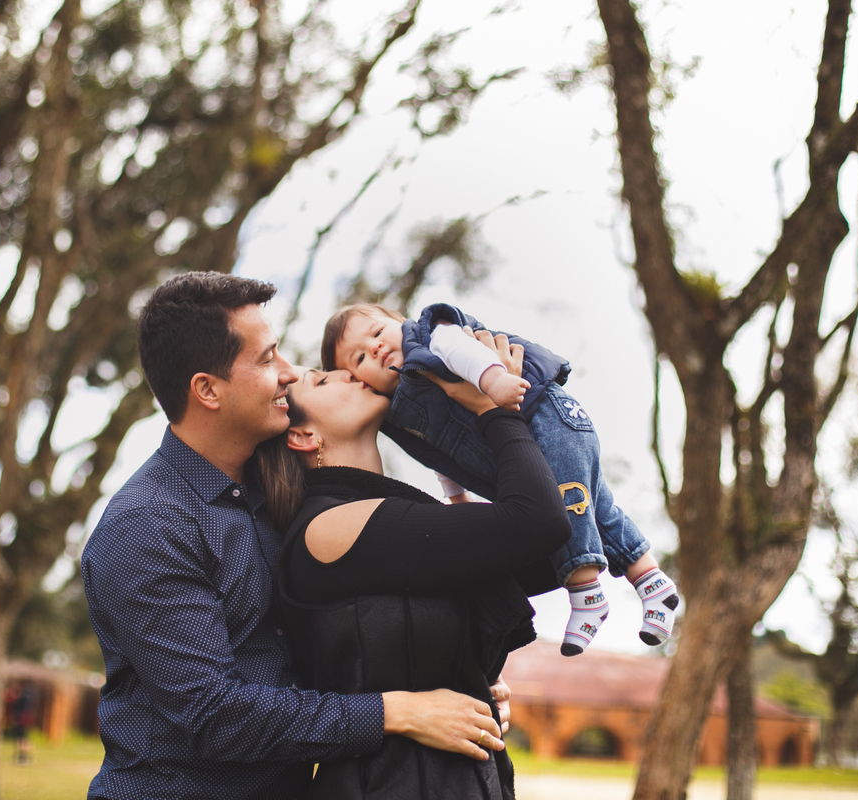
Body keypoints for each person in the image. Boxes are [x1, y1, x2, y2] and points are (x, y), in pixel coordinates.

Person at [80, 272, 507, 800]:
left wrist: (453, 675)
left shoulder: (279, 497)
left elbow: (330, 639)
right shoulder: (147, 526)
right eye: (266, 359)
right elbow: (215, 715)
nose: (288, 373)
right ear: (206, 390)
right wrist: (395, 712)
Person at [255, 330, 573, 799]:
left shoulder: (399, 517)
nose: (347, 371)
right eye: (322, 382)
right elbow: (539, 521)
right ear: (304, 436)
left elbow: (557, 557)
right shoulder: (330, 527)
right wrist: (491, 411)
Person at [321, 302, 680, 656]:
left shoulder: (432, 337)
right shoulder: (403, 411)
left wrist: (494, 380)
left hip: (547, 419)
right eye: (360, 358)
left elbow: (465, 352)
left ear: (401, 321)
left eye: (378, 332)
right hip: (523, 445)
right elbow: (440, 451)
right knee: (600, 511)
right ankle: (654, 585)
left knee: (569, 503)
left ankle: (586, 592)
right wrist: (456, 497)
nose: (376, 348)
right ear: (357, 380)